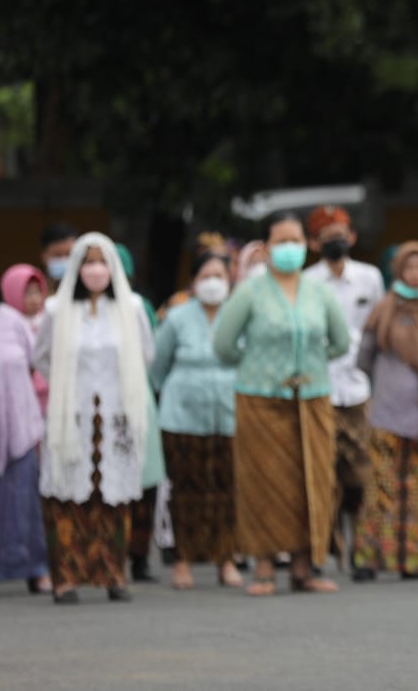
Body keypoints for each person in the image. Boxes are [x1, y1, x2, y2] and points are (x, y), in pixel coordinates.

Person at [212, 211, 350, 596]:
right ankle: (264, 566)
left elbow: (339, 342)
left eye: (296, 241)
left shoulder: (319, 291)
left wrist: (313, 364)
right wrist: (256, 367)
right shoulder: (250, 291)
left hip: (312, 400)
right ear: (267, 248)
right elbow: (223, 345)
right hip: (260, 401)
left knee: (313, 480)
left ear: (307, 245)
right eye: (281, 242)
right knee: (263, 482)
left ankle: (305, 566)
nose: (289, 248)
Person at [34, 233, 155, 604]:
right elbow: (42, 358)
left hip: (116, 416)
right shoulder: (57, 310)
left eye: (102, 262)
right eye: (87, 262)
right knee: (66, 498)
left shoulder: (131, 308)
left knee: (113, 498)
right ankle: (66, 578)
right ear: (76, 268)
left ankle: (113, 574)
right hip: (72, 417)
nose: (95, 270)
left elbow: (146, 355)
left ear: (114, 268)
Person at [352, 241, 418, 582]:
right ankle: (371, 557)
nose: (416, 274)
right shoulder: (383, 310)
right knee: (383, 487)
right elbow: (363, 358)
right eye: (409, 268)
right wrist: (387, 386)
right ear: (398, 271)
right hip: (390, 413)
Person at [148, 251, 242, 590]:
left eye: (220, 275)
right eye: (206, 276)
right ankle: (182, 560)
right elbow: (156, 369)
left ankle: (226, 558)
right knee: (185, 490)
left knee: (227, 488)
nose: (213, 282)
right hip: (182, 416)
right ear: (193, 282)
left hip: (230, 415)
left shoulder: (238, 315)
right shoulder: (177, 317)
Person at [303, 205, 385, 565]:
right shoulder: (307, 281)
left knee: (360, 473)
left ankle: (360, 546)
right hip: (320, 388)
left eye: (341, 234)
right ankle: (331, 546)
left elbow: (378, 331)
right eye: (327, 236)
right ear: (314, 242)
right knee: (326, 472)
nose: (336, 241)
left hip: (359, 388)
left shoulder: (369, 277)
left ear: (352, 237)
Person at [0, 266, 50, 594]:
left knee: (24, 499)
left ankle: (36, 568)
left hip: (20, 424)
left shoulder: (11, 322)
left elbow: (37, 361)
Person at [114, 242, 165, 584]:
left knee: (144, 484)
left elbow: (150, 355)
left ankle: (140, 555)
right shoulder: (69, 311)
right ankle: (110, 554)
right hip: (98, 403)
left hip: (137, 398)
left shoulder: (137, 307)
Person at [1, 265, 49, 411]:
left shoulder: (49, 319)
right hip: (19, 400)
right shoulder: (6, 327)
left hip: (50, 397)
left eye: (38, 291)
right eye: (28, 293)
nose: (35, 299)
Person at [40, 222, 77, 293]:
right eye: (57, 255)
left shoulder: (92, 292)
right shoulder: (36, 294)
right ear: (44, 256)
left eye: (68, 254)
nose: (63, 260)